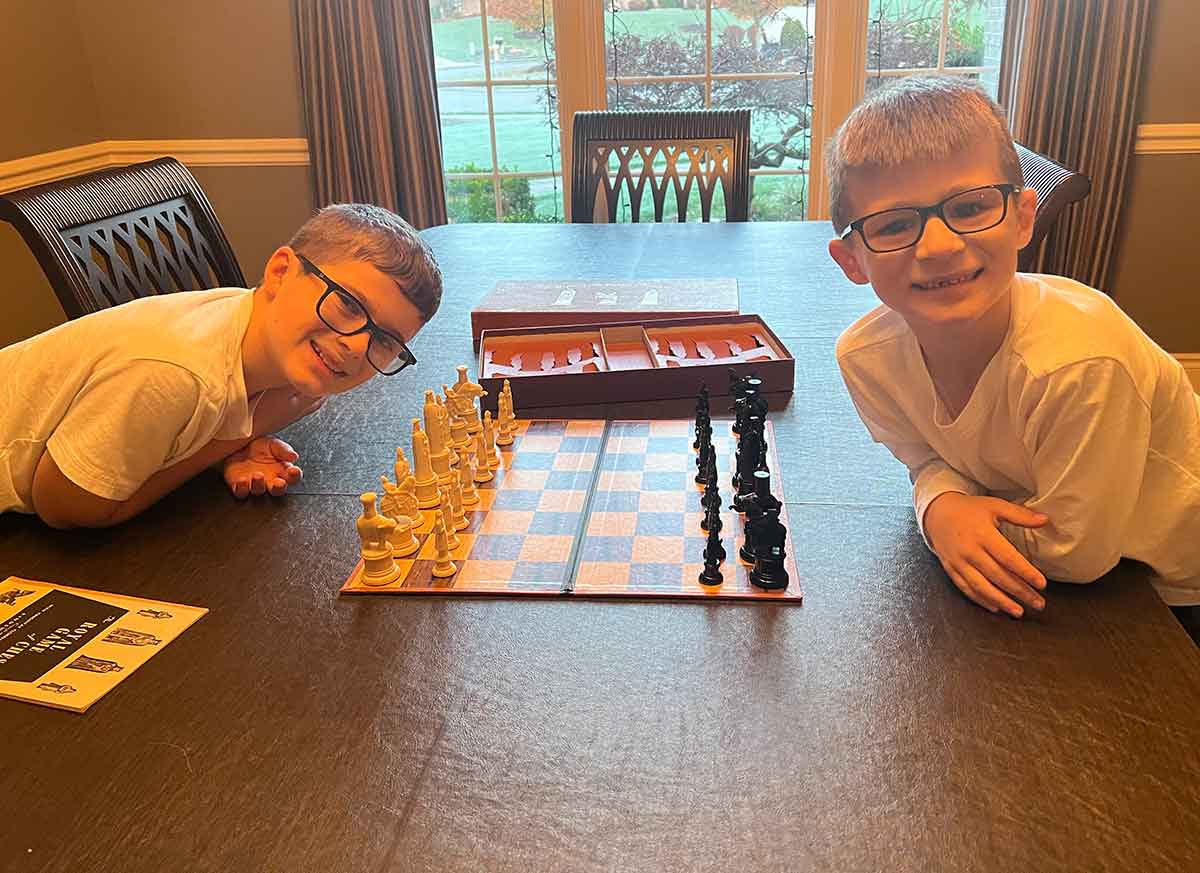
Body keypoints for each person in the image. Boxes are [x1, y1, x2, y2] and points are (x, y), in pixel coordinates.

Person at [827, 77, 1200, 629]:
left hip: (1168, 585)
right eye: (895, 224)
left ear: (1024, 216)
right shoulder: (867, 358)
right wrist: (942, 505)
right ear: (852, 260)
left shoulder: (1080, 366)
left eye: (973, 207)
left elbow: (1075, 554)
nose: (939, 246)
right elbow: (929, 461)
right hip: (1058, 561)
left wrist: (944, 514)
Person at [0, 203, 442, 529]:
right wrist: (239, 435)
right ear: (281, 272)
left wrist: (225, 447)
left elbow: (202, 411)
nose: (354, 346)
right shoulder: (174, 370)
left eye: (385, 341)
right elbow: (66, 504)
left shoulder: (278, 360)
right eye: (347, 303)